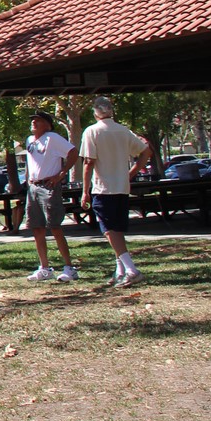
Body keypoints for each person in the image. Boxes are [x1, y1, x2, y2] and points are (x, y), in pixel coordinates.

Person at [79, 95, 151, 288]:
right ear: (111, 110)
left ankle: (132, 270)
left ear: (94, 112)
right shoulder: (123, 130)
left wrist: (85, 191)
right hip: (122, 187)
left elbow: (88, 163)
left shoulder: (91, 131)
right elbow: (145, 151)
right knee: (117, 229)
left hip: (103, 187)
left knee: (109, 230)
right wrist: (131, 173)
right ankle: (120, 270)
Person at [22, 110, 79, 283]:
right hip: (33, 187)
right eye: (33, 120)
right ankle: (45, 268)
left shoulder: (52, 138)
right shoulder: (30, 141)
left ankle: (69, 268)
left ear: (47, 124)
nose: (34, 123)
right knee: (37, 227)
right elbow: (30, 163)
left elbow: (73, 152)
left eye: (38, 120)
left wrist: (60, 175)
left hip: (49, 187)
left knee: (54, 226)